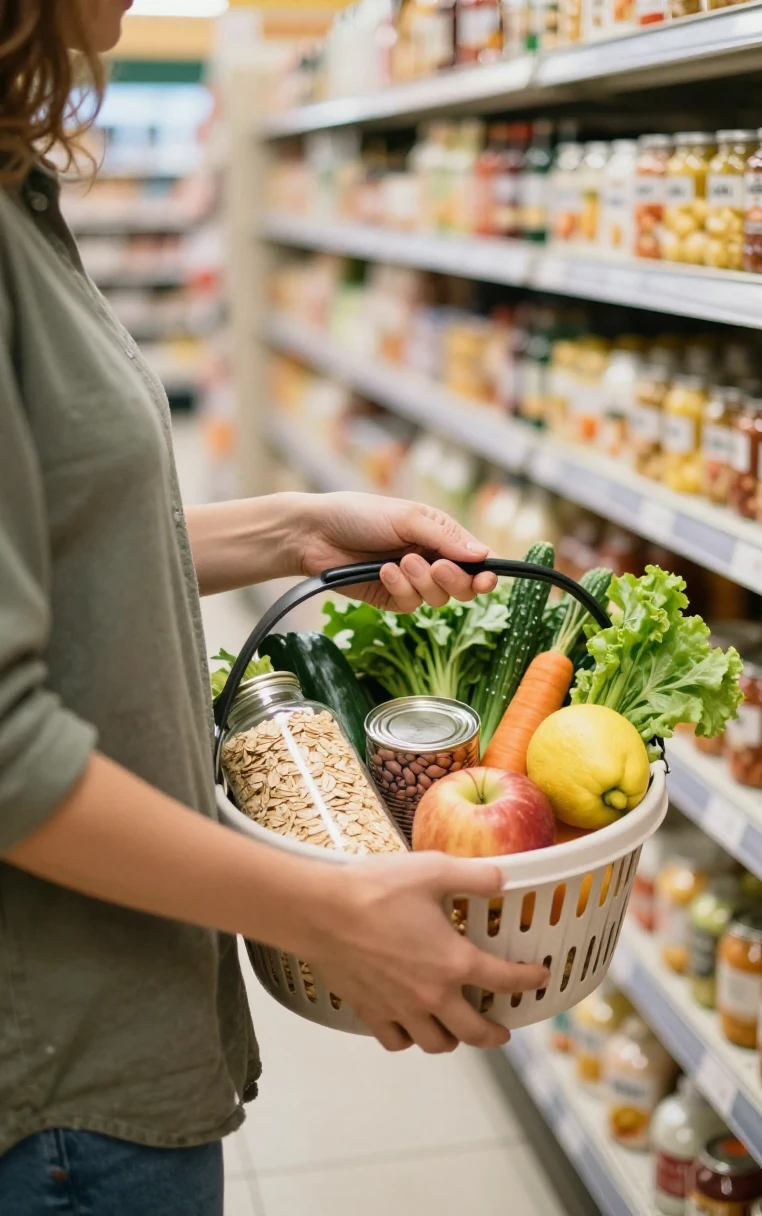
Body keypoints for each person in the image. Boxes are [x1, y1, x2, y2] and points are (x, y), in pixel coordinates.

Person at [0, 2, 548, 1213]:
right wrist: (330, 907)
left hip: (107, 1014)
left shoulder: (16, 194)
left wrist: (295, 530)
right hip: (51, 1084)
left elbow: (52, 550)